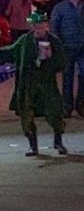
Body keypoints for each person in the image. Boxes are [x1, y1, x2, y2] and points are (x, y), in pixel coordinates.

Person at [2, 11, 68, 156]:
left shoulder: (53, 41)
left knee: (54, 112)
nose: (38, 29)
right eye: (35, 26)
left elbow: (62, 64)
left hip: (47, 83)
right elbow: (10, 52)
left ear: (46, 26)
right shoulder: (25, 41)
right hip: (28, 84)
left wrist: (51, 57)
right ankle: (33, 145)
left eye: (40, 25)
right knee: (26, 114)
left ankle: (58, 141)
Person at [50, 0, 84, 119]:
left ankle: (80, 103)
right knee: (67, 78)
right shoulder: (60, 8)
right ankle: (67, 106)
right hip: (66, 48)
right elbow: (54, 28)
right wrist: (57, 45)